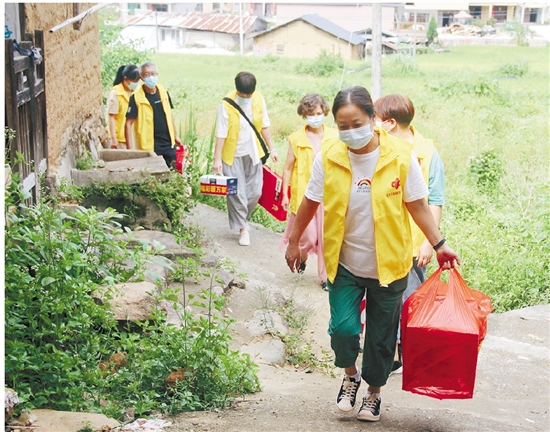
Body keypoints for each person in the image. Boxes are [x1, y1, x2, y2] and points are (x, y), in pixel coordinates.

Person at [284, 86, 459, 423]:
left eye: (356, 123)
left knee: (380, 340)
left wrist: (438, 244)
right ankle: (350, 375)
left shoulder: (400, 155)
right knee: (344, 330)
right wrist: (294, 241)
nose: (350, 131)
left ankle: (373, 393)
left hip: (390, 266)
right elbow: (309, 200)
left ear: (374, 119)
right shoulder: (330, 154)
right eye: (342, 125)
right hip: (345, 263)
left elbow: (418, 205)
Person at [374, 94, 446, 375]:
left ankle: (408, 355)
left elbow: (435, 200)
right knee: (383, 301)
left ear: (390, 123)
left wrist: (430, 242)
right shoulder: (377, 148)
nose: (373, 125)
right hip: (384, 240)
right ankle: (388, 354)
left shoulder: (428, 151)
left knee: (411, 301)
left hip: (415, 243)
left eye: (376, 120)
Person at [212, 71, 278, 246]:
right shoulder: (225, 105)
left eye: (249, 95)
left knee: (256, 191)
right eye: (243, 95)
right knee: (236, 192)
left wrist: (272, 149)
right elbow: (221, 133)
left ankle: (242, 219)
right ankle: (243, 229)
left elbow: (264, 125)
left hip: (253, 151)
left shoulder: (258, 99)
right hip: (232, 154)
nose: (246, 98)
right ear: (237, 90)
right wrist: (216, 159)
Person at [279, 94, 338, 291]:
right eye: (311, 114)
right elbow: (288, 167)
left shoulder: (334, 136)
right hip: (305, 195)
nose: (316, 117)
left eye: (319, 113)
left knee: (325, 238)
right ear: (304, 115)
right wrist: (285, 194)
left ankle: (325, 277)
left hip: (329, 195)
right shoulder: (296, 139)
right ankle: (302, 255)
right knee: (308, 236)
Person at [125, 61, 182, 168]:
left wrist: (175, 135)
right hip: (150, 146)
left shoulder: (163, 91)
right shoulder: (136, 97)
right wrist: (130, 150)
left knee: (173, 175)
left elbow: (170, 115)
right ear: (141, 77)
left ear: (157, 75)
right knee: (154, 178)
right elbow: (128, 123)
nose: (151, 77)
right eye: (147, 74)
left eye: (153, 73)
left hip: (168, 143)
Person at [106, 65, 140, 149]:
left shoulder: (135, 92)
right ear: (125, 79)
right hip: (120, 138)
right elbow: (112, 117)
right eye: (133, 81)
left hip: (133, 136)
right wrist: (114, 138)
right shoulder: (116, 93)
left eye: (137, 81)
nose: (135, 83)